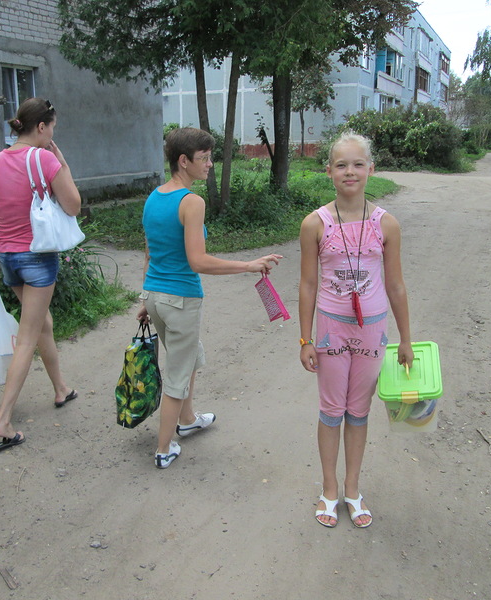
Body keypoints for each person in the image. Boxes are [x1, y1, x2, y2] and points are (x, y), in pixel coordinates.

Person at [137, 127, 282, 469]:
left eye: (209, 157)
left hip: (156, 297)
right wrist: (249, 265)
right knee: (177, 375)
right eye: (203, 158)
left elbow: (150, 252)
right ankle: (163, 448)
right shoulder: (192, 202)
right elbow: (198, 262)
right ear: (183, 161)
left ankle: (187, 420)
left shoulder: (154, 197)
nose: (209, 164)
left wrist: (145, 299)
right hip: (180, 300)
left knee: (187, 356)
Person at [298, 131, 412, 528]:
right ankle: (329, 488)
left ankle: (352, 488)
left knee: (359, 411)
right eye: (342, 165)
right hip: (331, 330)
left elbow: (396, 285)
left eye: (358, 164)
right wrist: (305, 339)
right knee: (332, 410)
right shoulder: (315, 223)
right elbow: (307, 285)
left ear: (371, 170)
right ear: (328, 171)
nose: (350, 172)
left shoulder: (387, 224)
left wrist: (406, 339)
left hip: (372, 332)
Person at [0, 97, 81, 451]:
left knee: (43, 324)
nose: (52, 134)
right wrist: (62, 162)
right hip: (37, 258)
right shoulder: (43, 158)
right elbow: (73, 205)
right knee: (27, 338)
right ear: (41, 126)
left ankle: (60, 389)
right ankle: (4, 421)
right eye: (52, 128)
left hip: (8, 259)